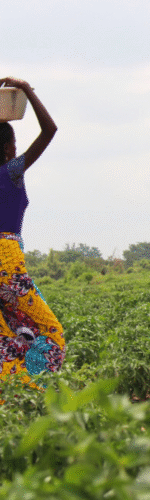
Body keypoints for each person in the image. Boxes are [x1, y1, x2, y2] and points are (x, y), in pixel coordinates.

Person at [0, 77, 65, 393]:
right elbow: (50, 130)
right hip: (7, 261)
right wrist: (25, 89)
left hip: (7, 263)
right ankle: (32, 391)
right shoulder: (11, 171)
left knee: (7, 336)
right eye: (13, 144)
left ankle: (9, 397)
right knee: (50, 333)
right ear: (9, 148)